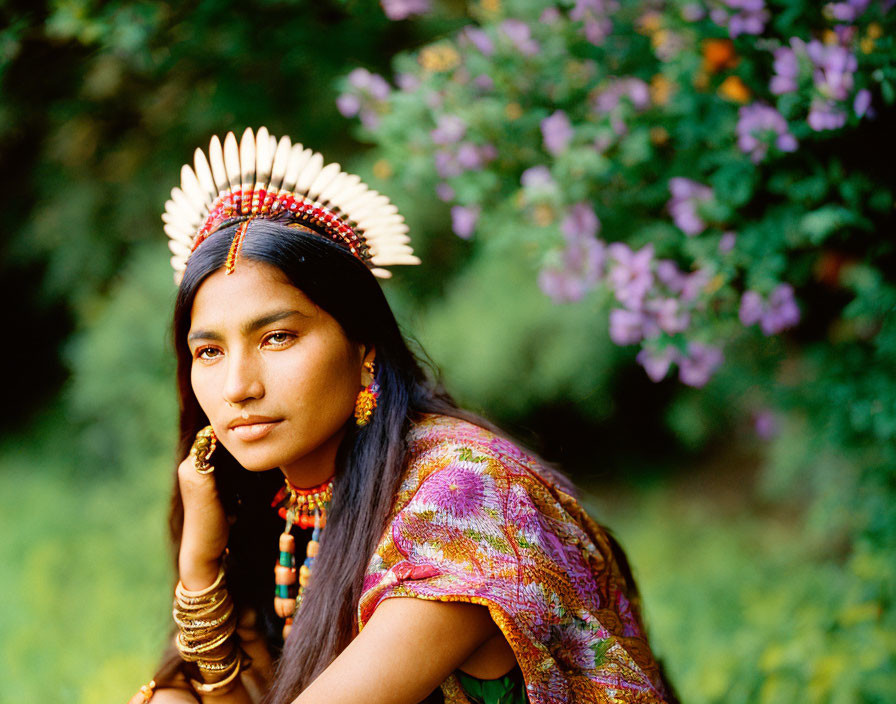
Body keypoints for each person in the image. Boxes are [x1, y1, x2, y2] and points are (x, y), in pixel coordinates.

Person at [129, 128, 677, 704]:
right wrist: (200, 563)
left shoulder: (465, 495)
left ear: (363, 347)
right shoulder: (278, 501)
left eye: (278, 337)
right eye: (209, 352)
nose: (238, 387)